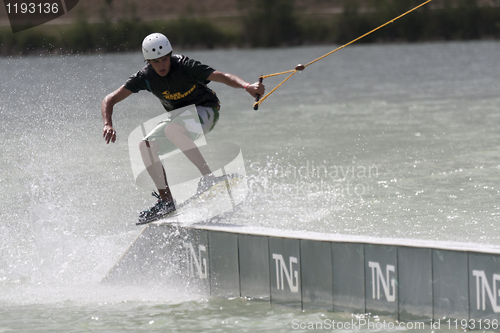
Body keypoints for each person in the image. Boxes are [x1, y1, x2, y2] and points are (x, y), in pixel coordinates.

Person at [101, 33, 265, 223]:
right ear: (148, 62)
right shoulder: (145, 77)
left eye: (164, 59)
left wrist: (247, 86)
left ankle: (210, 180)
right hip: (179, 119)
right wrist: (108, 123)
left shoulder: (185, 65)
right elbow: (109, 99)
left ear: (170, 55)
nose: (162, 65)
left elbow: (221, 76)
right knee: (146, 146)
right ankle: (166, 201)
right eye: (156, 62)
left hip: (207, 110)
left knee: (173, 130)